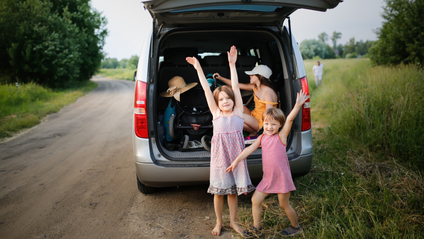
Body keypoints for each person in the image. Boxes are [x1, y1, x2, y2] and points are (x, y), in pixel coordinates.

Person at [186, 46, 255, 238]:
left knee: (232, 192)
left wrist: (232, 65)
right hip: (219, 159)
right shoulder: (216, 114)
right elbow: (207, 90)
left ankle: (233, 222)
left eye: (228, 99)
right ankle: (219, 222)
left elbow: (235, 87)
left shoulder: (239, 113)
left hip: (236, 157)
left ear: (233, 100)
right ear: (217, 103)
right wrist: (199, 68)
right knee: (219, 192)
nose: (225, 101)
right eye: (221, 99)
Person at [226, 90, 309, 237]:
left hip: (281, 177)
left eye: (273, 124)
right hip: (268, 178)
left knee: (284, 204)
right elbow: (250, 148)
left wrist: (297, 105)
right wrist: (236, 161)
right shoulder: (262, 137)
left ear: (279, 126)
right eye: (266, 123)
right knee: (255, 200)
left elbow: (289, 119)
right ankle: (257, 228)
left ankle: (296, 226)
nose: (269, 127)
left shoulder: (281, 137)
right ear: (262, 123)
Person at [213, 65, 278, 135]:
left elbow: (270, 114)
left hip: (262, 123)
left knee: (237, 115)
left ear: (260, 76)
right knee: (236, 107)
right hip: (254, 115)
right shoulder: (255, 87)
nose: (250, 76)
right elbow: (236, 85)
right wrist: (221, 78)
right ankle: (253, 132)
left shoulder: (268, 92)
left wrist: (265, 132)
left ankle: (255, 132)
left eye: (252, 75)